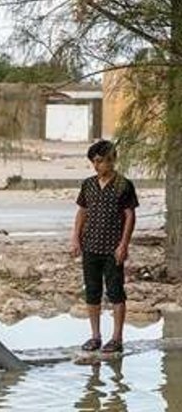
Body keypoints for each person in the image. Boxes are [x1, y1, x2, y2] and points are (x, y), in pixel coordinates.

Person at [71, 140, 138, 353]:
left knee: (116, 291)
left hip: (112, 248)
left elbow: (129, 215)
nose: (97, 166)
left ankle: (117, 338)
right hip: (90, 246)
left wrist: (124, 244)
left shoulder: (123, 185)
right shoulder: (88, 184)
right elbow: (82, 211)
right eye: (94, 162)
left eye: (100, 161)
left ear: (112, 160)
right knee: (92, 291)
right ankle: (95, 336)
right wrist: (75, 238)